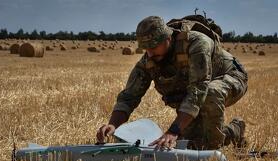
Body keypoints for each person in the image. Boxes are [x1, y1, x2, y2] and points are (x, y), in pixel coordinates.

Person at [96, 16, 248, 150]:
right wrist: (113, 125)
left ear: (167, 38)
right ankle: (235, 130)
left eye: (154, 47)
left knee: (210, 95)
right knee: (193, 144)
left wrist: (173, 131)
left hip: (230, 78)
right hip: (197, 92)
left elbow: (199, 90)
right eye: (146, 48)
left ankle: (214, 151)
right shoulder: (148, 61)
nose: (149, 53)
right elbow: (129, 96)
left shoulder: (196, 43)